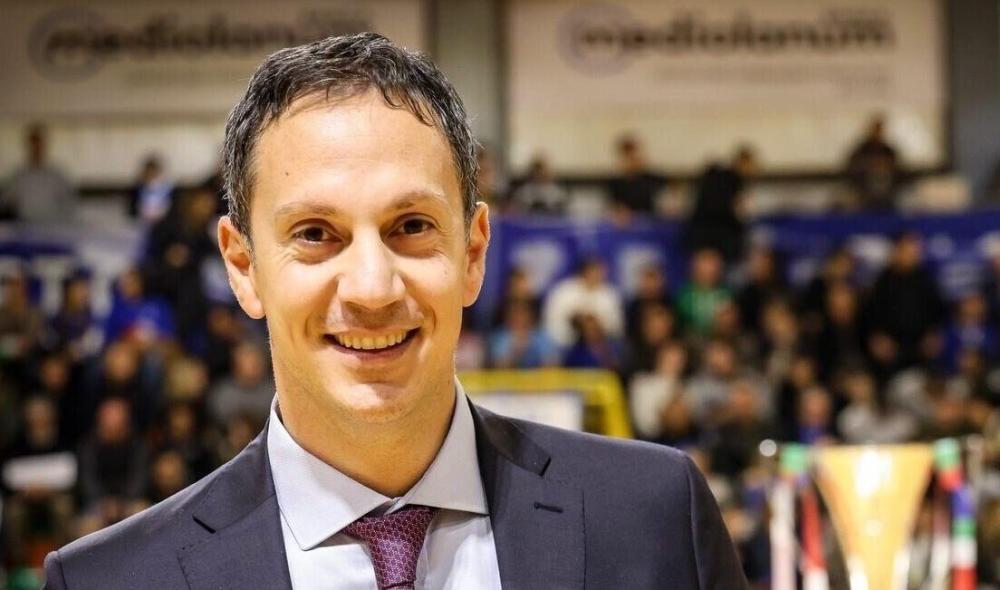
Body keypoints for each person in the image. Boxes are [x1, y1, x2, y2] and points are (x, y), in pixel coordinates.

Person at [44, 33, 746, 589]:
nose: (373, 288)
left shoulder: (655, 516)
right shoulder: (109, 580)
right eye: (315, 234)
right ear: (243, 267)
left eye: (411, 226)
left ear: (473, 253)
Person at [0, 124, 77, 225]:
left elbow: (70, 203)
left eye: (39, 144)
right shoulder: (18, 176)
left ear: (44, 145)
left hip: (53, 226)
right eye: (33, 144)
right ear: (28, 146)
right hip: (25, 226)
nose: (36, 148)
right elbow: (6, 202)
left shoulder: (57, 175)